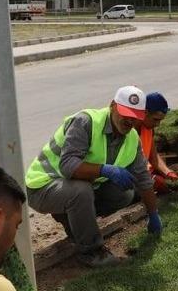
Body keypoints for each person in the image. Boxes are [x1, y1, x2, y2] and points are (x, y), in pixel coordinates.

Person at [24, 85, 163, 268]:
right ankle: (91, 251)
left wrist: (153, 214)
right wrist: (105, 170)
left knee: (124, 193)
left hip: (73, 187)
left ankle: (71, 219)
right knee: (81, 192)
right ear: (113, 105)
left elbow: (144, 180)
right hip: (42, 186)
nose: (128, 121)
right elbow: (68, 166)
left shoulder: (131, 140)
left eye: (134, 117)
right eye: (125, 113)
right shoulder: (86, 122)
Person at [136, 92, 178, 194]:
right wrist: (152, 179)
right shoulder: (129, 132)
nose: (157, 124)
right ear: (144, 112)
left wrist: (167, 172)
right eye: (155, 119)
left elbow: (154, 158)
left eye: (160, 121)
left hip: (145, 173)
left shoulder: (149, 129)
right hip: (135, 176)